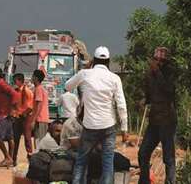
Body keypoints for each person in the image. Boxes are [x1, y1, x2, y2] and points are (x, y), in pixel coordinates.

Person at [65, 46, 128, 184]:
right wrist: (124, 128)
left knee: (81, 162)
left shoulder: (85, 74)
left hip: (90, 126)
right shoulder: (115, 78)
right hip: (109, 126)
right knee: (107, 163)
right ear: (109, 61)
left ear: (94, 60)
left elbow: (67, 86)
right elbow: (121, 105)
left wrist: (86, 69)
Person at [138, 47, 177, 184]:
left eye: (160, 61)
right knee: (143, 152)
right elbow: (149, 94)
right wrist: (144, 101)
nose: (157, 62)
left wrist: (158, 73)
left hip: (167, 119)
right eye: (155, 60)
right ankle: (144, 181)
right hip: (154, 120)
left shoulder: (169, 73)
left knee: (168, 157)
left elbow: (168, 91)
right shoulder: (149, 74)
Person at [0, 67, 17, 167]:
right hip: (6, 113)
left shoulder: (2, 84)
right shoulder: (0, 84)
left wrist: (12, 109)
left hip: (3, 115)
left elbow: (14, 94)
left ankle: (7, 157)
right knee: (10, 137)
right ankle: (10, 159)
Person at [11, 73, 34, 165]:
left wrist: (23, 114)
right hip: (18, 116)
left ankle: (30, 158)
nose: (14, 82)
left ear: (20, 81)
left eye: (15, 80)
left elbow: (30, 107)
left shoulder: (27, 91)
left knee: (27, 138)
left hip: (25, 117)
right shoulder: (17, 91)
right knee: (15, 138)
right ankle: (13, 159)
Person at [29, 69, 50, 143]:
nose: (31, 78)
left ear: (36, 78)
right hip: (43, 119)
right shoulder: (41, 88)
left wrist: (33, 120)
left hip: (40, 119)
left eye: (33, 76)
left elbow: (39, 106)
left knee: (39, 142)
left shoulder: (38, 89)